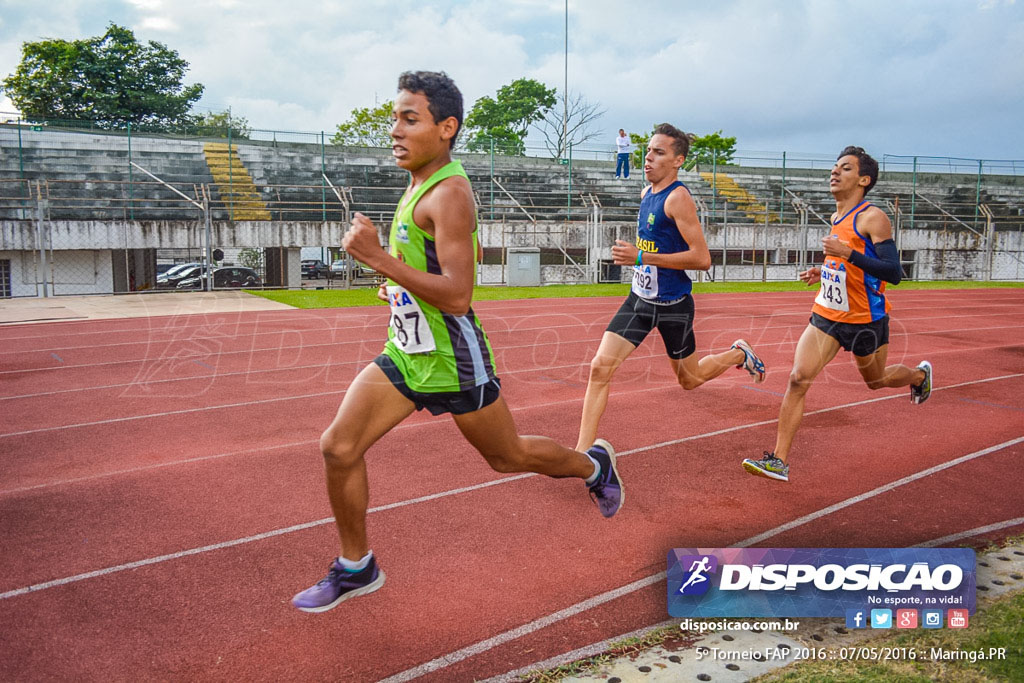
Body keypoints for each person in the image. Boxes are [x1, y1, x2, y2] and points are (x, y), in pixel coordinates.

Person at [292, 71, 623, 614]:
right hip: (407, 353)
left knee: (507, 456)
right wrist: (395, 282)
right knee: (338, 446)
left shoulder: (450, 193)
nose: (394, 130)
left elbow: (457, 295)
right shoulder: (416, 180)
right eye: (394, 118)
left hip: (454, 358)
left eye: (409, 119)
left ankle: (594, 467)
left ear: (446, 128)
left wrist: (379, 259)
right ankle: (357, 566)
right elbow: (425, 271)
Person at [742, 146, 932, 483]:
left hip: (865, 321)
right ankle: (779, 461)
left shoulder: (873, 217)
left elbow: (893, 273)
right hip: (828, 315)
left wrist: (847, 254)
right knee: (798, 379)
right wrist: (824, 269)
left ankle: (918, 376)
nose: (834, 172)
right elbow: (845, 261)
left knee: (876, 381)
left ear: (863, 179)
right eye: (834, 167)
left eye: (844, 168)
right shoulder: (836, 216)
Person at [576, 123, 766, 453]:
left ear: (677, 161)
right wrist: (640, 259)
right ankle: (580, 454)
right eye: (648, 150)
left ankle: (739, 353)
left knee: (689, 380)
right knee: (599, 367)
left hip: (673, 307)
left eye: (658, 152)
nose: (648, 158)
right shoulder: (646, 193)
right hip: (638, 301)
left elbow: (702, 259)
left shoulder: (678, 199)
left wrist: (641, 256)